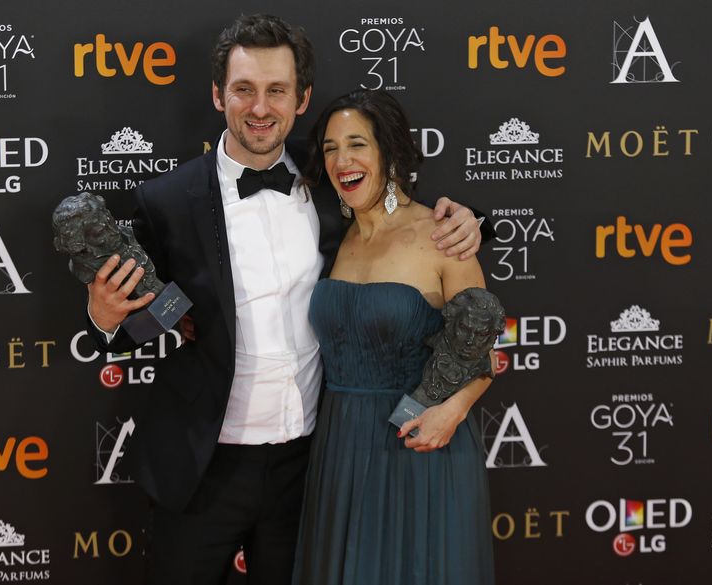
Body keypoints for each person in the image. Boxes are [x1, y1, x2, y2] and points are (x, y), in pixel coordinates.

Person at [85, 14, 491, 585]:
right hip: (203, 466)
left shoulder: (332, 177)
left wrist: (475, 221)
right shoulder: (166, 200)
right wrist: (104, 319)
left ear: (301, 100)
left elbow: (407, 219)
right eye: (244, 89)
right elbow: (143, 316)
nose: (260, 108)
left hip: (313, 464)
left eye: (277, 90)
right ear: (217, 95)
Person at [291, 90, 496, 585]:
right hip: (340, 443)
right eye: (331, 148)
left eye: (357, 144)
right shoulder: (328, 235)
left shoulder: (442, 235)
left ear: (390, 153)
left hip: (421, 443)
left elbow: (481, 351)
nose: (343, 160)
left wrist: (450, 413)